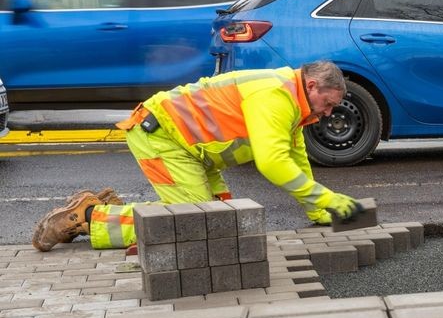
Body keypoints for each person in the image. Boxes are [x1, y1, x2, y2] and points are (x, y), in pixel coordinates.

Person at [32, 60, 363, 252]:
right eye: (329, 102)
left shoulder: (294, 105)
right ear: (312, 84)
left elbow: (295, 160)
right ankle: (88, 218)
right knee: (193, 224)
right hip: (162, 138)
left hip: (192, 152)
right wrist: (329, 198)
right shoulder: (275, 96)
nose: (329, 112)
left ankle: (109, 207)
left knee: (220, 223)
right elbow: (272, 162)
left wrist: (318, 209)